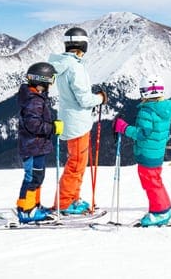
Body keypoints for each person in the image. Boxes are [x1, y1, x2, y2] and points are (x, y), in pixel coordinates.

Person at [48, 27, 106, 215]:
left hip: (68, 120)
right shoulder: (75, 68)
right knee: (76, 164)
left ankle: (73, 198)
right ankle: (65, 203)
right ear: (83, 45)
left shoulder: (62, 65)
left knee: (77, 162)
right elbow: (84, 99)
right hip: (77, 123)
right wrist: (100, 98)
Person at [113, 75, 171, 227]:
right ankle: (162, 208)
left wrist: (124, 128)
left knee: (150, 183)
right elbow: (164, 133)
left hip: (147, 154)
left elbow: (142, 134)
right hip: (157, 153)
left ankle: (160, 212)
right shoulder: (165, 110)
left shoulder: (147, 111)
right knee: (155, 181)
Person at [15, 61, 62, 223]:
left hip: (37, 146)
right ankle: (26, 211)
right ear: (41, 81)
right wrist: (52, 128)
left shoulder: (36, 98)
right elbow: (33, 124)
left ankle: (33, 206)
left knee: (37, 177)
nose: (51, 84)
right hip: (32, 146)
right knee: (32, 177)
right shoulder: (34, 101)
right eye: (50, 80)